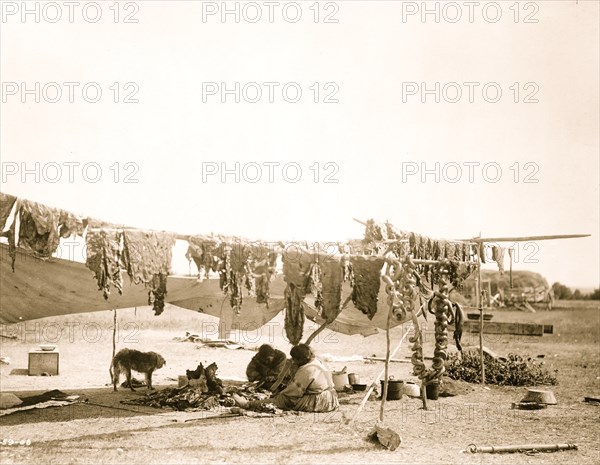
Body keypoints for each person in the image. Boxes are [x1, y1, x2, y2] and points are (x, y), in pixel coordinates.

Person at [234, 344, 339, 413]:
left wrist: (280, 394)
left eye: (294, 359)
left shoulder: (306, 370)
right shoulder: (316, 361)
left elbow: (293, 392)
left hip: (321, 401)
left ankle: (248, 404)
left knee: (283, 400)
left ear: (300, 359)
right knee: (283, 395)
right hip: (332, 399)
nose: (293, 361)